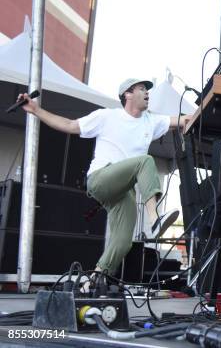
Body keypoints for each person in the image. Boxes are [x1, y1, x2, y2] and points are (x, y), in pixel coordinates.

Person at [18, 78, 192, 276]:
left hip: (122, 189)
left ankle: (95, 277)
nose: (147, 93)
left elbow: (183, 119)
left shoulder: (150, 121)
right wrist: (35, 109)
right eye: (142, 89)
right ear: (127, 94)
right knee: (145, 161)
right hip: (101, 178)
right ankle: (155, 219)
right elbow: (69, 124)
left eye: (147, 90)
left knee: (123, 241)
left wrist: (205, 107)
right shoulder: (107, 116)